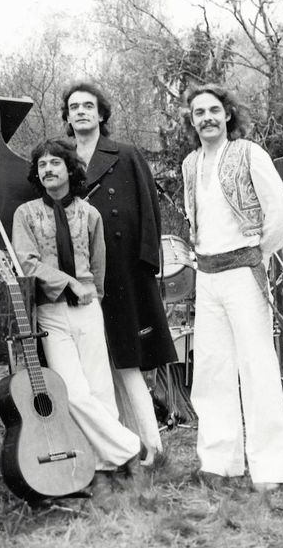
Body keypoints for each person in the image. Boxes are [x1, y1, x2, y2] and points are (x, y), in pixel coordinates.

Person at [12, 138, 144, 509]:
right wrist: (67, 282)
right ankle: (131, 449)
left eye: (55, 163)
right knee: (73, 393)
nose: (48, 170)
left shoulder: (90, 214)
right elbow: (27, 262)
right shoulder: (26, 214)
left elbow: (98, 265)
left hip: (87, 309)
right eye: (42, 165)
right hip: (51, 311)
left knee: (101, 391)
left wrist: (92, 296)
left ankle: (102, 472)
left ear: (70, 169)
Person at [180, 84, 283, 493]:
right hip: (207, 276)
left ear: (227, 114)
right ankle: (219, 462)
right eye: (198, 113)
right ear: (192, 121)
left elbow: (280, 211)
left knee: (257, 367)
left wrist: (258, 254)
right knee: (211, 370)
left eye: (213, 110)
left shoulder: (249, 153)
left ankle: (270, 469)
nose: (207, 118)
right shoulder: (190, 163)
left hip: (244, 272)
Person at [61, 81, 177, 464]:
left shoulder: (125, 154)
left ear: (101, 114)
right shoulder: (60, 158)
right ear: (67, 117)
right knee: (92, 365)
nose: (81, 112)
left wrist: (147, 264)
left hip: (124, 270)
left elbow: (149, 208)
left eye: (88, 106)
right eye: (74, 107)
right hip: (80, 273)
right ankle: (111, 449)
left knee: (128, 361)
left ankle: (152, 447)